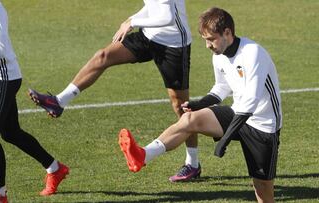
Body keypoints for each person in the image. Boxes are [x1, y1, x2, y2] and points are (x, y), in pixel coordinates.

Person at [118, 7, 282, 203]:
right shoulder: (219, 56)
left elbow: (251, 102)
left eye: (211, 39)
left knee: (262, 190)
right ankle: (143, 155)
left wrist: (225, 139)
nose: (207, 45)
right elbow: (221, 87)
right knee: (189, 119)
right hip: (237, 113)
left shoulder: (253, 53)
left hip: (263, 126)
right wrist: (199, 104)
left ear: (227, 33)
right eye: (205, 39)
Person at [28, 0, 200, 182]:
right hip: (148, 37)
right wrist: (133, 18)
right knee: (103, 56)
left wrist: (132, 23)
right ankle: (58, 102)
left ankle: (193, 164)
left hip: (173, 44)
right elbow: (153, 7)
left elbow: (167, 17)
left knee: (181, 107)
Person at [0, 2, 69, 202]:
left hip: (5, 78)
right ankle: (55, 169)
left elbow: (1, 49)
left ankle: (0, 195)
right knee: (10, 133)